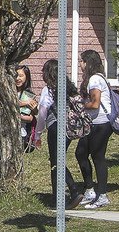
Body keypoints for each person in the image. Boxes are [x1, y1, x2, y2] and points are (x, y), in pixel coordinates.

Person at [32, 58, 83, 208]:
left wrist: (38, 135)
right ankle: (57, 198)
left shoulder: (48, 90)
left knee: (56, 162)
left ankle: (73, 192)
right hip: (69, 129)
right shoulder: (69, 88)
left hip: (55, 127)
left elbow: (42, 113)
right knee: (57, 161)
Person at [76, 49, 114, 208]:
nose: (80, 65)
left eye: (82, 61)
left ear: (88, 63)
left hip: (101, 124)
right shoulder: (95, 78)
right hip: (93, 123)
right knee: (81, 153)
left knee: (98, 157)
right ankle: (90, 188)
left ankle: (102, 195)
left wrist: (79, 107)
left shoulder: (95, 80)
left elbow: (95, 104)